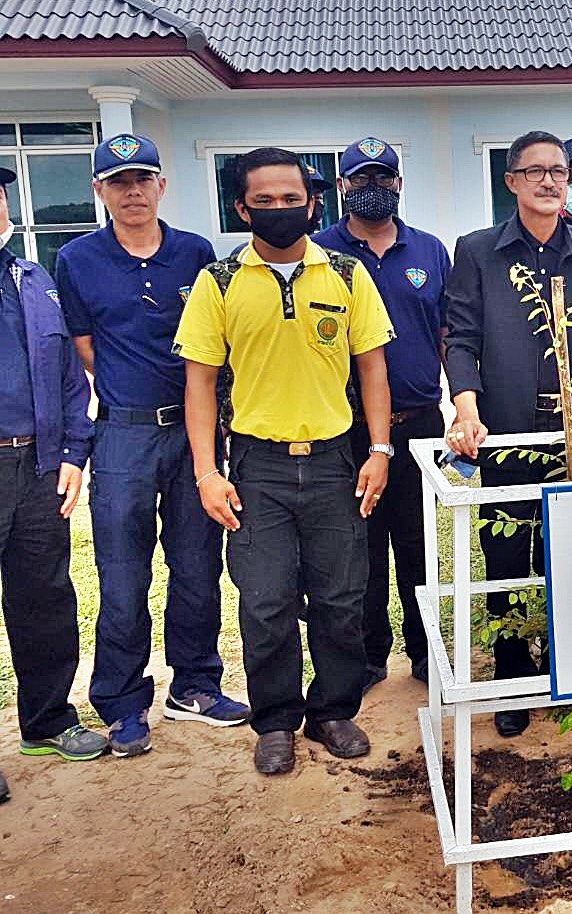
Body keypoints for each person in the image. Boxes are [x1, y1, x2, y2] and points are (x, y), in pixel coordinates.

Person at [175, 147, 395, 775]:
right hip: (257, 469)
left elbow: (372, 368)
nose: (279, 210)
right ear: (241, 207)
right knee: (266, 603)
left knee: (340, 598)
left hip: (335, 462)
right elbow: (199, 385)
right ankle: (275, 721)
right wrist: (206, 473)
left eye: (291, 199)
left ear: (313, 201)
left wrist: (378, 450)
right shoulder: (218, 283)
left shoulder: (348, 275)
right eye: (264, 201)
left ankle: (333, 711)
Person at [54, 134, 248, 759]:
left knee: (197, 565)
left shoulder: (195, 253)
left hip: (192, 436)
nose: (131, 191)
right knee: (122, 573)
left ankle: (194, 685)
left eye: (142, 179)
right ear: (99, 191)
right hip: (123, 436)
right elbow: (85, 347)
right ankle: (120, 701)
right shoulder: (77, 260)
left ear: (162, 185)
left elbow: (217, 344)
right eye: (117, 182)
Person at [444, 130, 572, 738]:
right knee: (506, 556)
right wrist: (466, 409)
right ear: (512, 181)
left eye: (563, 173)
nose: (553, 182)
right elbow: (462, 337)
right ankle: (512, 677)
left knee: (571, 555)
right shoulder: (477, 252)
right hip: (507, 436)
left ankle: (568, 667)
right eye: (538, 171)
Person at [314, 137, 451, 691]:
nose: (373, 189)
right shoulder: (319, 251)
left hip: (418, 422)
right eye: (361, 180)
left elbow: (448, 333)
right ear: (343, 186)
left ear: (399, 184)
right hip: (345, 429)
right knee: (358, 548)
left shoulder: (430, 250)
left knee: (418, 544)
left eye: (383, 179)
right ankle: (370, 655)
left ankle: (424, 652)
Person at [0, 167, 105, 798]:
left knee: (44, 601)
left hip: (38, 467)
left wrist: (72, 450)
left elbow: (68, 375)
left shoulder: (32, 280)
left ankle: (46, 720)